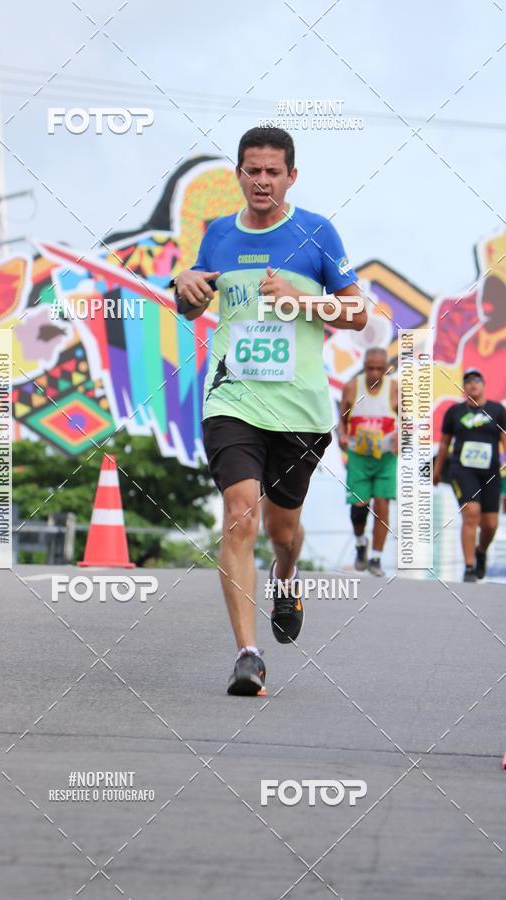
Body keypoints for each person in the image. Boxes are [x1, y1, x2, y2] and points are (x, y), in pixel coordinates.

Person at [172, 126, 366, 695]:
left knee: (283, 531)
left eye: (272, 171)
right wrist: (182, 282)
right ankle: (248, 655)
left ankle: (286, 576)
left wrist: (302, 299)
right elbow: (192, 300)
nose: (261, 181)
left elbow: (357, 314)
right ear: (239, 174)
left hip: (300, 409)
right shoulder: (218, 236)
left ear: (291, 176)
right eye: (251, 170)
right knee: (239, 511)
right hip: (232, 399)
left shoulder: (317, 232)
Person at [433, 368, 506, 582]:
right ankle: (469, 567)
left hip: (491, 472)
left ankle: (481, 551)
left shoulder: (497, 410)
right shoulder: (454, 412)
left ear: (483, 385)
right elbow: (445, 443)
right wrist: (437, 471)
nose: (472, 384)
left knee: (490, 523)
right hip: (462, 470)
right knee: (471, 512)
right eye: (468, 381)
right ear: (463, 388)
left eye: (477, 380)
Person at [337, 347, 398, 576]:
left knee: (382, 504)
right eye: (370, 368)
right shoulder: (352, 387)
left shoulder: (395, 388)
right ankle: (361, 543)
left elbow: (407, 419)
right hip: (359, 456)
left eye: (379, 369)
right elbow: (342, 418)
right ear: (364, 367)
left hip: (385, 457)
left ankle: (376, 558)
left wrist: (401, 437)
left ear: (385, 368)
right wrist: (341, 434)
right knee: (359, 507)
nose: (374, 373)